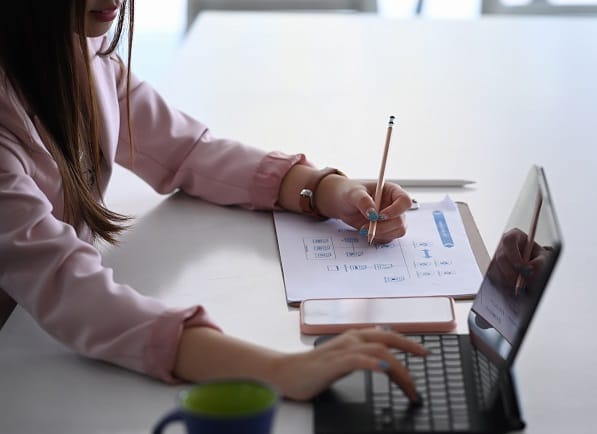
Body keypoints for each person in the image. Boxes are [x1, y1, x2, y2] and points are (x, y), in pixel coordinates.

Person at [0, 1, 425, 401]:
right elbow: (70, 291)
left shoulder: (79, 48)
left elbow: (187, 150)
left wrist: (327, 190)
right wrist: (279, 370)